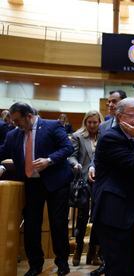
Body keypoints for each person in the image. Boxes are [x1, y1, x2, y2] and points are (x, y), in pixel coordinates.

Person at [0, 102, 74, 276]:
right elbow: (3, 152)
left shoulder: (52, 126)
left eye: (18, 120)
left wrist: (49, 160)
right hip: (32, 184)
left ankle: (62, 262)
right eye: (13, 121)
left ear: (29, 116)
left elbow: (68, 148)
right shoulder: (13, 135)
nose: (15, 124)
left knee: (58, 224)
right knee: (32, 225)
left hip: (57, 183)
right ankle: (35, 264)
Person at [92, 98, 134, 276]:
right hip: (114, 211)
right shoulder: (111, 137)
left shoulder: (133, 136)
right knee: (117, 266)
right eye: (133, 116)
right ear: (119, 116)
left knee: (130, 264)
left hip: (132, 211)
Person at [67, 110, 103, 266]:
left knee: (98, 217)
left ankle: (93, 253)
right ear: (85, 122)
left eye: (95, 122)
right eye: (89, 122)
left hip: (100, 181)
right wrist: (75, 164)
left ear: (99, 122)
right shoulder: (78, 136)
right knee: (82, 218)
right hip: (83, 181)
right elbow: (71, 155)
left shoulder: (105, 135)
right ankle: (78, 249)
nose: (92, 125)